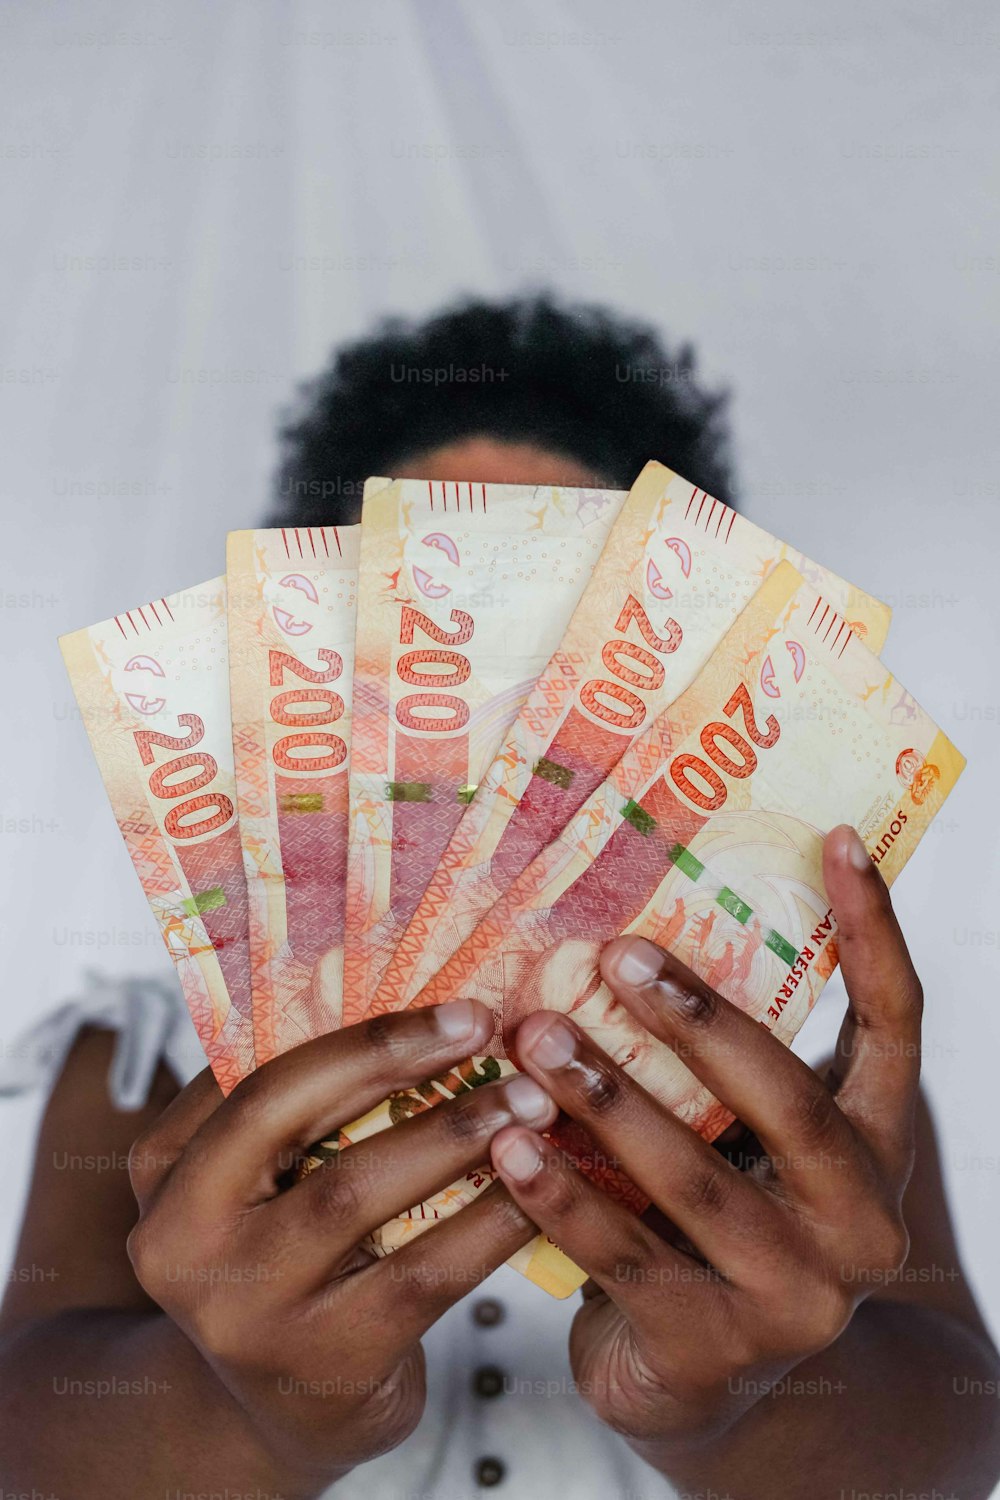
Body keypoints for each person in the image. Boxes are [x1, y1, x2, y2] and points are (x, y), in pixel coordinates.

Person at [1, 296, 998, 1499]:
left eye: (570, 624)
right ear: (301, 663)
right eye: (437, 610)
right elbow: (29, 1428)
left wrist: (723, 1417)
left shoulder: (795, 1079)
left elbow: (957, 1427)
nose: (513, 721)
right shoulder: (141, 1056)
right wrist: (266, 1426)